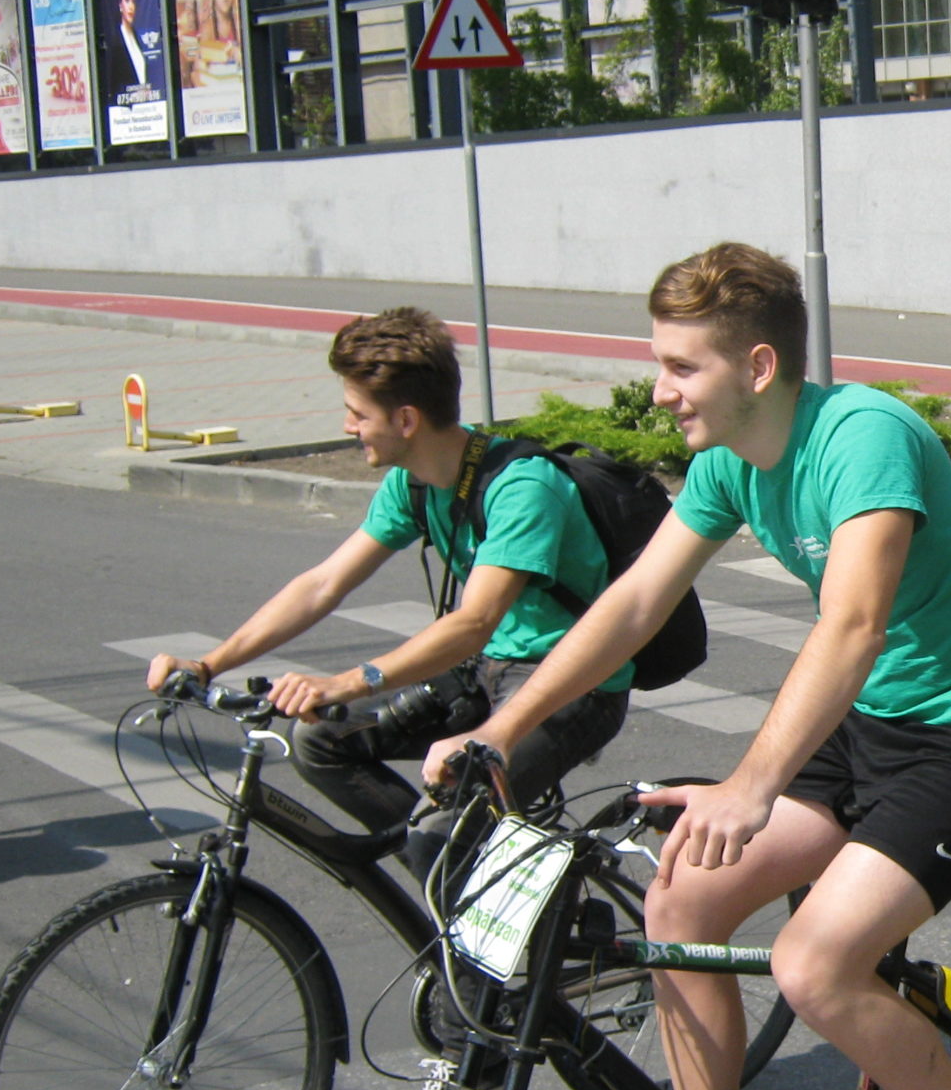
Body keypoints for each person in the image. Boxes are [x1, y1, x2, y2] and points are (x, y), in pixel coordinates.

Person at [422, 243, 951, 1090]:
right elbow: (633, 607)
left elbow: (853, 623)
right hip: (860, 728)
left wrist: (752, 783)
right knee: (682, 903)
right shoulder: (729, 462)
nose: (659, 390)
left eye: (681, 367)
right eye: (660, 365)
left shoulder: (863, 438)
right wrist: (501, 727)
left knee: (816, 966)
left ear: (758, 366)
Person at [143, 307, 631, 878]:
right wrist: (209, 664)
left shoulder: (522, 487)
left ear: (405, 420)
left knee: (438, 839)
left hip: (570, 683)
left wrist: (350, 680)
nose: (348, 426)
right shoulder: (414, 482)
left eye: (357, 413)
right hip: (485, 670)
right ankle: (467, 873)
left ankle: (468, 882)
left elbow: (473, 621)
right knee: (321, 740)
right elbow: (323, 584)